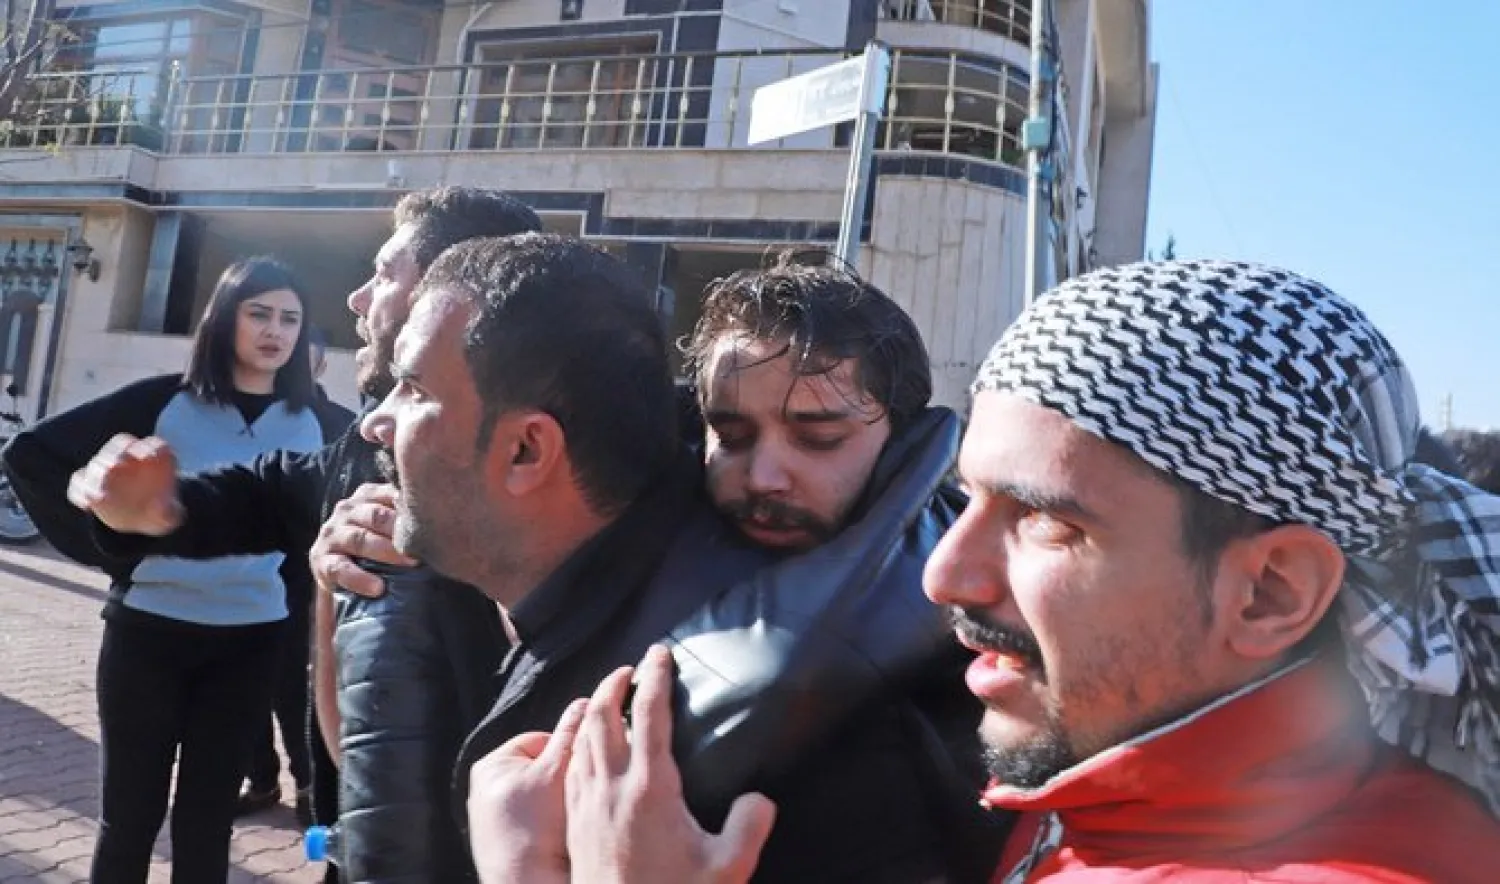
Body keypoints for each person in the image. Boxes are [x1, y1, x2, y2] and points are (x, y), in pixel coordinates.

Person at [504, 259, 1500, 883]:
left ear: (1271, 589)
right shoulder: (1100, 785)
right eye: (966, 497)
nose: (945, 572)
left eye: (1047, 523)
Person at [337, 238, 997, 882]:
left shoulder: (864, 715)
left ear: (906, 450)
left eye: (818, 438)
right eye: (732, 436)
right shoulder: (610, 555)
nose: (765, 474)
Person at [64, 187, 544, 884]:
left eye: (383, 273)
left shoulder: (579, 473)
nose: (354, 299)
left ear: (450, 297)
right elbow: (267, 487)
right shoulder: (363, 447)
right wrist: (153, 511)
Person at [1, 257, 348, 883]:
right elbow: (30, 456)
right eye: (259, 313)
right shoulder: (162, 402)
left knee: (205, 827)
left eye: (290, 318)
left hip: (251, 646)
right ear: (223, 320)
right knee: (129, 823)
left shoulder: (323, 425)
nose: (275, 330)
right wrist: (109, 547)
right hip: (147, 639)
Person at [237, 325, 355, 823]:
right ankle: (261, 779)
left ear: (320, 366)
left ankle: (309, 784)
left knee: (292, 687)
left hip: (302, 584)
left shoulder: (342, 426)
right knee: (245, 684)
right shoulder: (248, 416)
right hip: (242, 578)